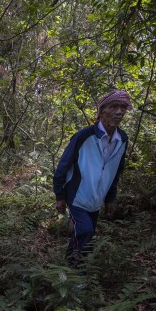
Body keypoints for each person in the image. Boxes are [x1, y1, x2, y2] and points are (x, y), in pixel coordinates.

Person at [53, 90, 132, 264]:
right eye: (114, 107)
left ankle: (73, 266)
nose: (119, 112)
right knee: (85, 230)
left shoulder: (122, 139)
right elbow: (63, 166)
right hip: (76, 195)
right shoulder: (84, 136)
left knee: (85, 234)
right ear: (102, 110)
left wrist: (110, 199)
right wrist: (59, 196)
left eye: (123, 107)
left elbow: (115, 172)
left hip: (97, 198)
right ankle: (74, 267)